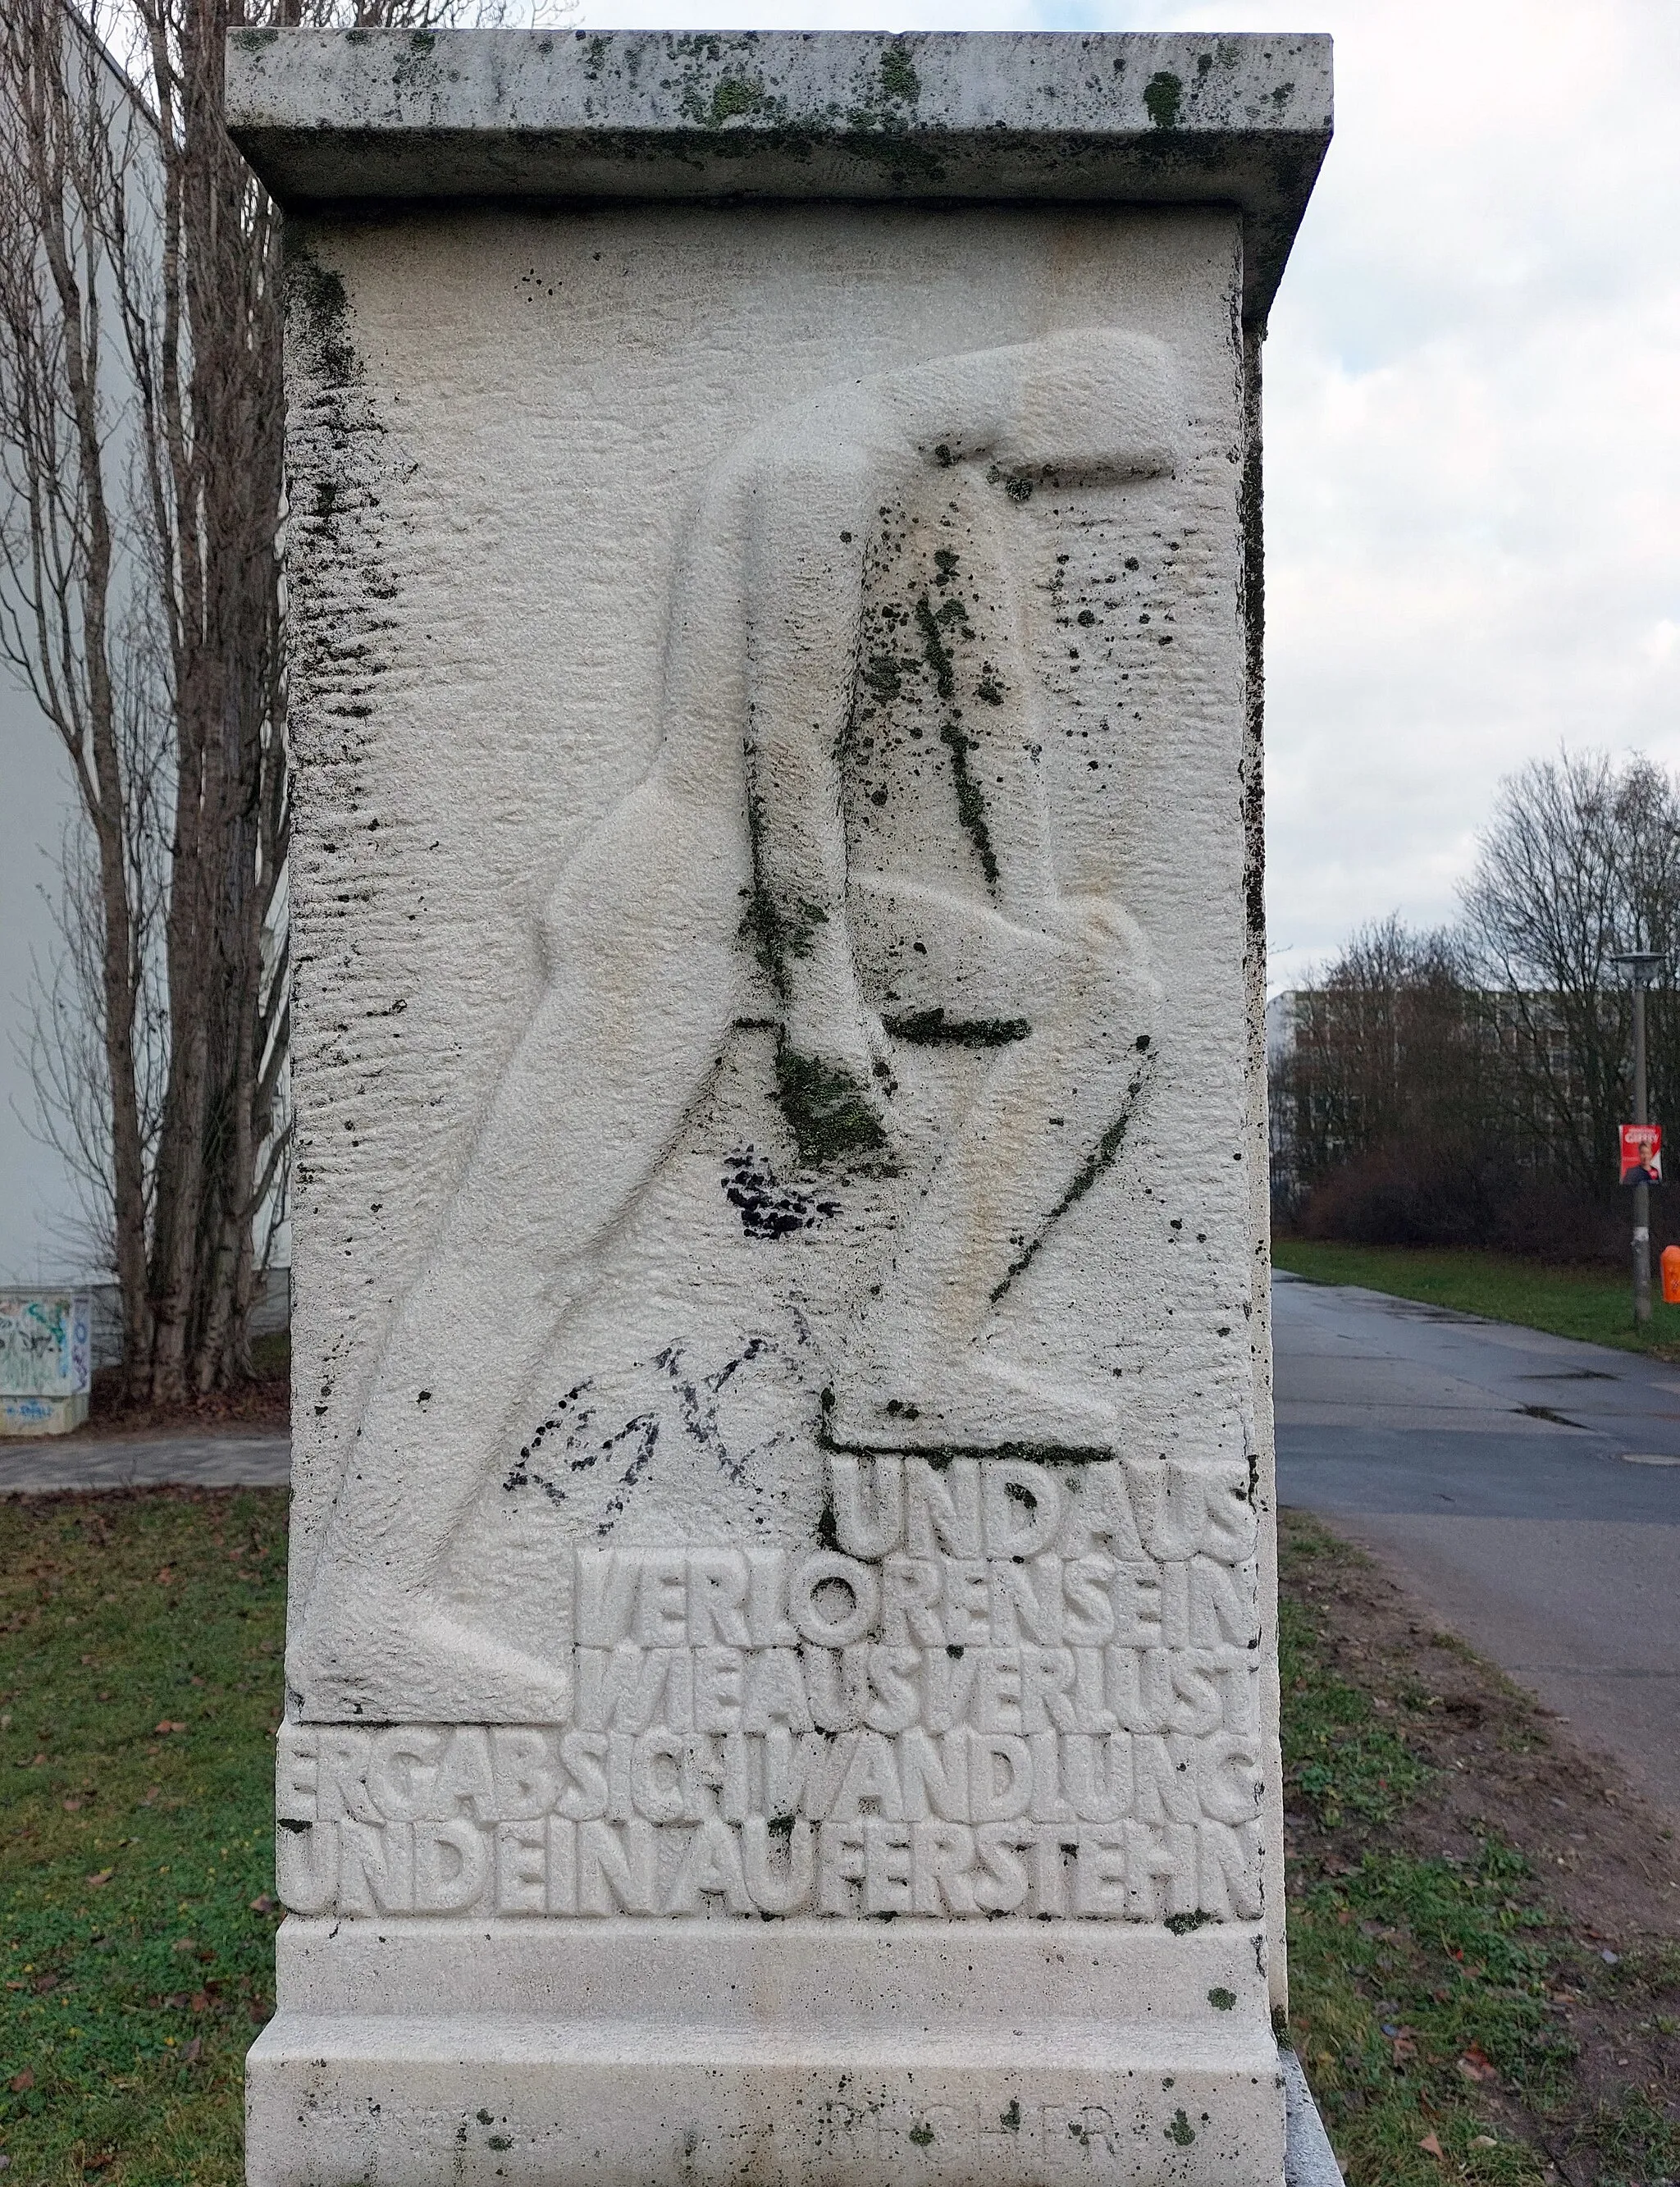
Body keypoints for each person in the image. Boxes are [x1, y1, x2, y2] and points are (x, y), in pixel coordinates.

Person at [293, 327, 1179, 1719]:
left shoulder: (942, 481)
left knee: (1101, 990)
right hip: (678, 900)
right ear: (1037, 412)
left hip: (780, 902)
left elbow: (990, 713)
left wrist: (1042, 908)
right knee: (524, 1248)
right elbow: (787, 749)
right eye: (1051, 479)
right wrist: (825, 1011)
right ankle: (360, 1622)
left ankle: (909, 1361)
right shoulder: (828, 462)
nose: (1035, 512)